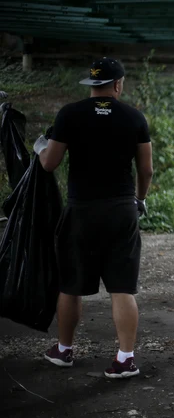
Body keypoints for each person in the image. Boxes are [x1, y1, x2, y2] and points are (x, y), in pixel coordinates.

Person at [33, 57, 153, 379]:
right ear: (118, 85)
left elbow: (49, 163)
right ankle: (125, 358)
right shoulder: (134, 118)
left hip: (82, 211)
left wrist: (40, 146)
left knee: (70, 285)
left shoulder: (69, 114)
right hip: (120, 210)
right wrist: (139, 199)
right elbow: (146, 169)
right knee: (121, 287)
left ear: (91, 85)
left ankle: (64, 350)